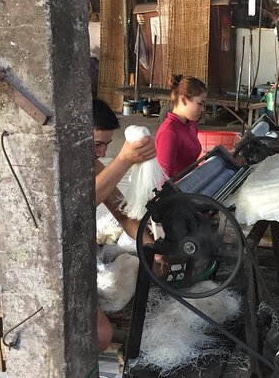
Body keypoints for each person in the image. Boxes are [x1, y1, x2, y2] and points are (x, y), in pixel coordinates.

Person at [92, 98, 157, 352]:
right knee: (99, 335)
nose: (102, 153)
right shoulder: (55, 166)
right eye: (97, 144)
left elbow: (122, 213)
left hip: (80, 264)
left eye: (107, 145)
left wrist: (152, 248)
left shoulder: (91, 165)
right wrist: (124, 160)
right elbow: (76, 207)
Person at [155, 75, 207, 178]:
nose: (202, 110)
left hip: (192, 182)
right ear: (183, 100)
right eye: (200, 104)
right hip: (180, 190)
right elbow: (163, 179)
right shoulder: (169, 133)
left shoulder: (191, 125)